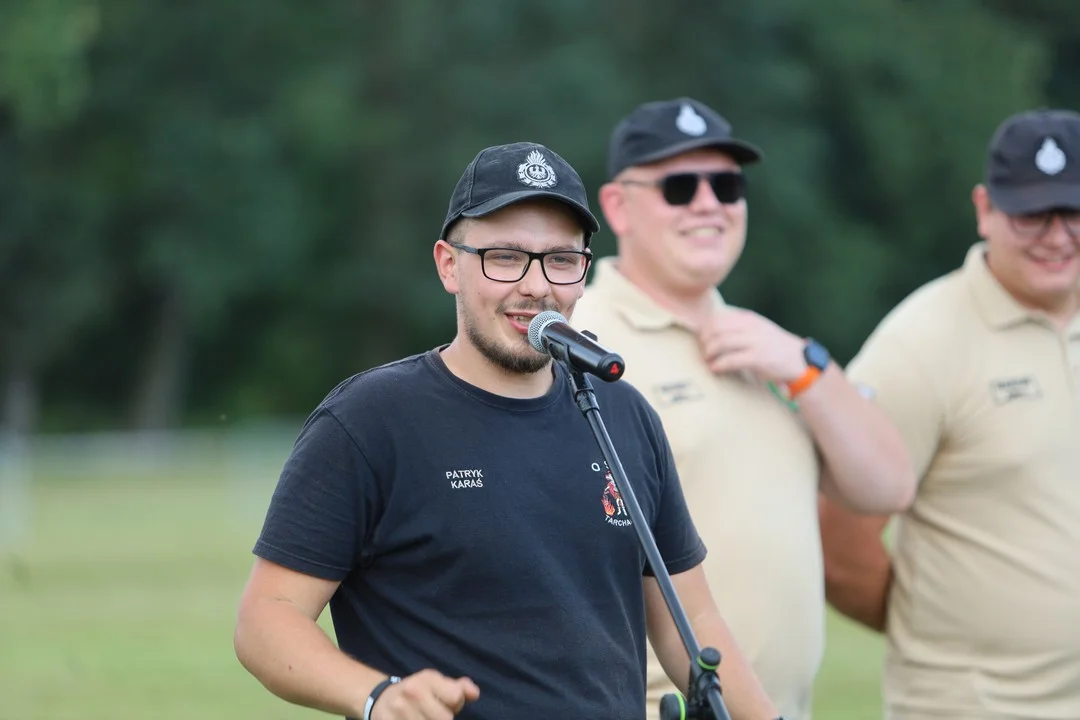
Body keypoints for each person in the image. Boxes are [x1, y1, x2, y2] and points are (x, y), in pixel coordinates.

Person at [233, 140, 785, 720]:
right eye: (505, 257)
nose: (536, 286)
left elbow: (690, 622)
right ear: (450, 265)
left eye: (560, 260)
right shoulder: (370, 421)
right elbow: (267, 617)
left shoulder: (623, 415)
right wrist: (377, 697)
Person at [570, 97, 918, 720]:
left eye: (727, 185)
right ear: (617, 206)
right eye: (680, 186)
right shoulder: (586, 346)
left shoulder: (773, 351)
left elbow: (886, 486)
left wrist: (810, 369)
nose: (709, 203)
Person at [817, 108, 1080, 720]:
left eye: (1072, 211)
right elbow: (842, 546)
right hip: (971, 706)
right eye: (1032, 212)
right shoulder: (919, 344)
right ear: (986, 208)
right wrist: (942, 630)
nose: (1058, 234)